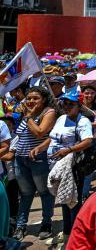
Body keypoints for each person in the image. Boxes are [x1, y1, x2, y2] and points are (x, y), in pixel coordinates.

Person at [43, 90, 94, 245]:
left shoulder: (83, 121)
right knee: (65, 201)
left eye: (70, 104)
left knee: (73, 203)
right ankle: (66, 234)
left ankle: (76, 237)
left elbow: (88, 141)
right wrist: (40, 147)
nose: (66, 106)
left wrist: (69, 150)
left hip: (73, 168)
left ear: (78, 105)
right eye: (63, 103)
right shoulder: (61, 119)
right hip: (58, 167)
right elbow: (52, 138)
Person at [10, 86, 57, 241]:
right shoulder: (25, 114)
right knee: (25, 194)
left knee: (44, 193)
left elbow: (40, 132)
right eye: (29, 98)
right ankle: (21, 226)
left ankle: (46, 223)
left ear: (43, 99)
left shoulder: (48, 112)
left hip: (39, 160)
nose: (31, 101)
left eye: (35, 98)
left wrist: (28, 117)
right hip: (20, 159)